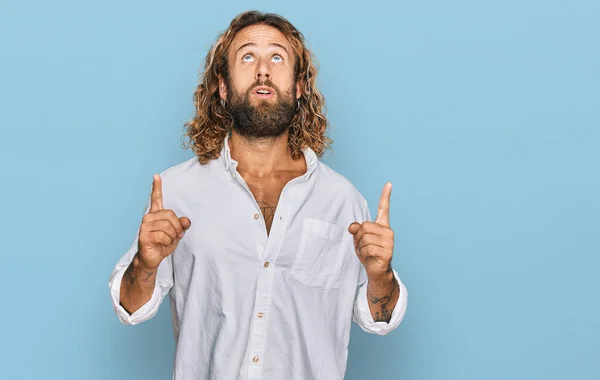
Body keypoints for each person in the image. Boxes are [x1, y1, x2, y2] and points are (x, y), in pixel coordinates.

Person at [108, 10, 407, 380]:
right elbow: (131, 308)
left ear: (299, 86)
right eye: (247, 56)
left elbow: (378, 319)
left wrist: (381, 276)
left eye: (277, 57)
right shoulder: (177, 191)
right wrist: (145, 263)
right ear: (222, 85)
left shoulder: (342, 200)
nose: (263, 70)